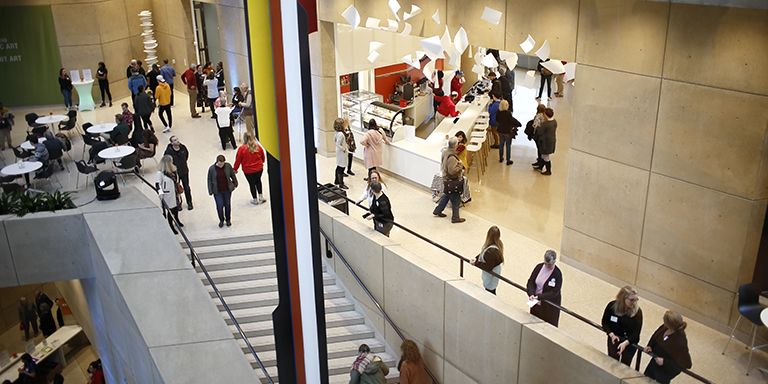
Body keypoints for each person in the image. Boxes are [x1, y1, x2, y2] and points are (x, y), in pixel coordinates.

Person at [644, 311, 692, 384]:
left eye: (665, 319)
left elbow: (685, 363)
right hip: (655, 362)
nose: (662, 319)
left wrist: (664, 362)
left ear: (670, 323)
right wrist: (650, 346)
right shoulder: (665, 327)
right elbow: (655, 336)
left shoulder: (680, 341)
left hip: (665, 370)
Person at [602, 285, 643, 367]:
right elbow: (605, 322)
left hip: (630, 342)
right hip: (615, 339)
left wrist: (625, 343)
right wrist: (611, 334)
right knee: (612, 361)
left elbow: (636, 334)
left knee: (625, 365)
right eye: (631, 300)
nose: (634, 303)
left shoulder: (637, 312)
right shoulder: (612, 307)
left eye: (636, 300)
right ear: (623, 298)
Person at [526, 250, 563, 327]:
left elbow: (555, 292)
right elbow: (531, 282)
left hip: (548, 306)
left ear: (554, 262)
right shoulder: (539, 267)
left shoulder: (557, 274)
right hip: (536, 302)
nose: (547, 266)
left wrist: (540, 297)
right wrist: (531, 293)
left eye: (549, 264)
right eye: (546, 263)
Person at [432, 137, 465, 223]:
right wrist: (460, 165)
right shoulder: (452, 157)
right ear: (456, 146)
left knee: (447, 195)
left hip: (446, 179)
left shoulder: (445, 152)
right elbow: (452, 171)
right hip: (453, 181)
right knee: (456, 199)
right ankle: (455, 217)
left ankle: (438, 210)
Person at [233, 132, 266, 205]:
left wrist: (235, 169)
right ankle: (261, 196)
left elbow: (238, 160)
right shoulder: (257, 146)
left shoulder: (242, 149)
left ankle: (255, 199)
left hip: (248, 170)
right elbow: (262, 156)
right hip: (259, 168)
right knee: (258, 181)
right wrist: (262, 162)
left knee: (252, 184)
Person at [470, 226, 504, 295]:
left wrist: (476, 263)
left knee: (490, 293)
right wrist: (476, 258)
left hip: (491, 277)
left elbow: (488, 267)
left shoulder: (491, 252)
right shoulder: (498, 244)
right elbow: (484, 252)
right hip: (494, 275)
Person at [207, 154, 238, 227]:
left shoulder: (227, 166)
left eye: (223, 164)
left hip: (227, 189)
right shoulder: (212, 169)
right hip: (217, 190)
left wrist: (235, 182)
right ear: (217, 162)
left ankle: (228, 220)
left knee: (227, 205)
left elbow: (232, 175)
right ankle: (221, 220)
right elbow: (209, 180)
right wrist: (210, 190)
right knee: (219, 206)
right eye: (220, 164)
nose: (221, 166)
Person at [164, 136, 193, 210]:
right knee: (176, 189)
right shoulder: (169, 152)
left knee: (186, 187)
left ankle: (189, 202)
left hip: (184, 170)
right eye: (175, 140)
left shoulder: (183, 148)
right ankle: (178, 203)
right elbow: (166, 161)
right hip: (175, 173)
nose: (177, 141)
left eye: (177, 139)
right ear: (171, 143)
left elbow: (186, 156)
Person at [156, 155, 182, 234]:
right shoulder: (160, 173)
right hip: (168, 195)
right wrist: (160, 193)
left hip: (175, 193)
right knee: (171, 211)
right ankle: (171, 226)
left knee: (176, 209)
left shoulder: (173, 170)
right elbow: (157, 184)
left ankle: (177, 220)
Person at [496, 99, 521, 165]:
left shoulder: (498, 112)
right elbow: (511, 121)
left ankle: (501, 157)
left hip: (500, 130)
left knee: (501, 144)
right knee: (508, 145)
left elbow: (497, 120)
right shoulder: (508, 113)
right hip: (507, 131)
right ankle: (508, 159)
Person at [535, 108, 557, 175]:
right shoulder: (554, 122)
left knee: (545, 156)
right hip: (552, 140)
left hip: (545, 141)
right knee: (544, 155)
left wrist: (536, 127)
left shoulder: (546, 123)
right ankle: (540, 167)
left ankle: (548, 170)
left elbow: (539, 132)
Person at [333, 118, 349, 190]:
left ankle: (336, 180)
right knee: (341, 167)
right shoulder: (341, 134)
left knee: (339, 166)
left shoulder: (337, 132)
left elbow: (334, 140)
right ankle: (341, 183)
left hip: (339, 151)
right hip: (342, 152)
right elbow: (338, 145)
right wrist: (345, 149)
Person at [531, 104, 547, 168]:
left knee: (538, 147)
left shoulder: (538, 116)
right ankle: (541, 159)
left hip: (538, 133)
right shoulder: (544, 116)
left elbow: (535, 125)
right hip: (543, 133)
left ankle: (540, 160)